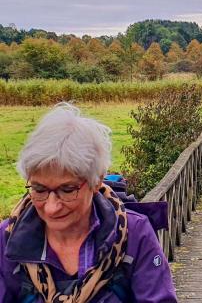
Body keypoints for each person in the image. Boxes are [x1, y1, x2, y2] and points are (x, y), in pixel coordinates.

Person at [0, 103, 178, 302]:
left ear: (96, 181)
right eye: (39, 189)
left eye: (67, 190)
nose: (51, 207)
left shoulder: (134, 234)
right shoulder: (7, 238)